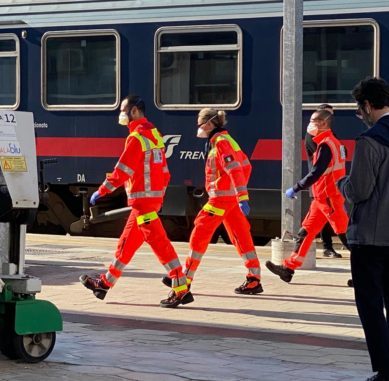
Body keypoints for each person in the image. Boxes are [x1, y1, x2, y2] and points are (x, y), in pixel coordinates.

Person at [79, 95, 193, 308]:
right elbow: (165, 172)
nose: (120, 113)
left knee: (160, 245)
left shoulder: (136, 138)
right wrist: (158, 194)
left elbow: (122, 170)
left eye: (123, 109)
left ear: (134, 111)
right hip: (151, 200)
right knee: (126, 245)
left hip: (143, 201)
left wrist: (102, 191)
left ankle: (181, 287)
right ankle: (104, 284)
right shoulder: (155, 135)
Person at [162, 108, 263, 294]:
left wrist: (241, 196)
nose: (198, 127)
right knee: (240, 234)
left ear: (209, 124)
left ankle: (185, 278)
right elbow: (246, 166)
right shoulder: (225, 140)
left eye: (200, 123)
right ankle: (254, 278)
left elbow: (235, 170)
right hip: (229, 197)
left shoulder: (221, 143)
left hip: (222, 198)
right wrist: (237, 195)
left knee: (200, 231)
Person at [337, 77, 389, 381]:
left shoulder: (371, 140)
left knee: (371, 305)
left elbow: (359, 189)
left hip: (371, 237)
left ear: (367, 105)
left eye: (361, 110)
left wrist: (343, 184)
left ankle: (385, 369)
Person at [266, 109, 349, 282]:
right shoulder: (334, 142)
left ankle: (366, 273)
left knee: (346, 236)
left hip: (329, 198)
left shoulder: (326, 145)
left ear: (324, 123)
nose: (310, 124)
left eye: (313, 121)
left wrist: (296, 188)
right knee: (305, 232)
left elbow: (316, 173)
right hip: (321, 199)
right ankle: (288, 269)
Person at [305, 104, 342, 258]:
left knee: (309, 227)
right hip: (322, 187)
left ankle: (289, 266)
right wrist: (298, 186)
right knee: (338, 225)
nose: (330, 118)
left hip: (329, 187)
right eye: (327, 114)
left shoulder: (327, 135)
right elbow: (321, 164)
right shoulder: (314, 135)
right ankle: (328, 247)